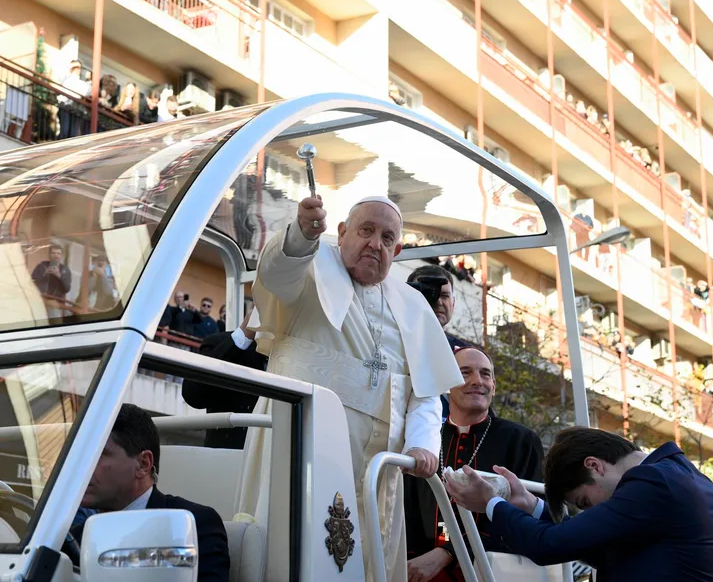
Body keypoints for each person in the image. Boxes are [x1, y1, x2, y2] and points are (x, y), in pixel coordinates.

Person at [238, 194, 464, 581]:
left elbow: (424, 392)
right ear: (342, 232)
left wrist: (424, 443)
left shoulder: (412, 305)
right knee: (292, 549)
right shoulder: (311, 266)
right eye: (366, 231)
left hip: (376, 470)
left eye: (388, 238)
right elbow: (278, 273)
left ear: (398, 248)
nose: (376, 243)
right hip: (302, 446)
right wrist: (300, 234)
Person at [444, 427, 713, 582]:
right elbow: (600, 548)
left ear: (594, 466)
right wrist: (531, 505)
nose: (592, 512)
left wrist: (491, 503)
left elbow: (549, 546)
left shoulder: (652, 482)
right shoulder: (679, 476)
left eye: (584, 502)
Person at [405, 346, 544, 582]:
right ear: (447, 383)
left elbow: (525, 516)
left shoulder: (521, 440)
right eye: (465, 373)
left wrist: (448, 553)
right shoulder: (423, 438)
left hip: (491, 569)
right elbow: (407, 509)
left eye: (485, 374)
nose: (477, 381)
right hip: (421, 571)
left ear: (494, 386)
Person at [70, 404, 230, 581]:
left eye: (98, 453)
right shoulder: (74, 538)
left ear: (143, 464)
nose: (82, 466)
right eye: (80, 454)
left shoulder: (195, 526)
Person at [182, 306, 264, 449]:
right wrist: (243, 337)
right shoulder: (219, 342)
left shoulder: (299, 357)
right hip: (228, 459)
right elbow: (193, 394)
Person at [406, 264, 469, 421]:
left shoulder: (464, 353)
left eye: (445, 296)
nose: (438, 302)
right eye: (430, 294)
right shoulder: (390, 339)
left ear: (453, 303)